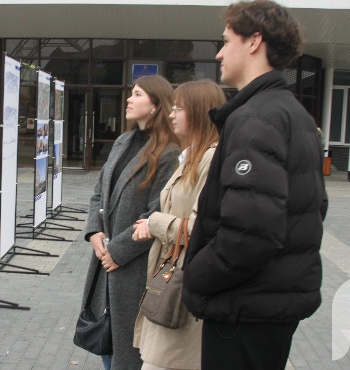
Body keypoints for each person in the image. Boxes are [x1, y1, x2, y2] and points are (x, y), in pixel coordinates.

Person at [181, 1, 329, 369]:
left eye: (226, 40)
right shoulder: (292, 113)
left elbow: (251, 232)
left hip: (244, 310)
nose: (218, 53)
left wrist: (197, 273)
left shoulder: (256, 118)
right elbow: (313, 207)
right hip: (267, 304)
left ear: (254, 42)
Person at [80, 74, 181, 370]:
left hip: (135, 265)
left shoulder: (168, 152)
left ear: (156, 105)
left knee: (128, 348)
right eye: (130, 93)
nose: (129, 99)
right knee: (106, 339)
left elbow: (158, 211)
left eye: (137, 94)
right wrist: (93, 232)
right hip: (106, 257)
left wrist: (118, 251)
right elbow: (99, 190)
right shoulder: (123, 140)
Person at [131, 79, 226, 370]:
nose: (171, 115)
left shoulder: (211, 158)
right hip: (169, 277)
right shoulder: (191, 156)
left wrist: (155, 221)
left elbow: (201, 227)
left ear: (200, 112)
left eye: (179, 109)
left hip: (182, 281)